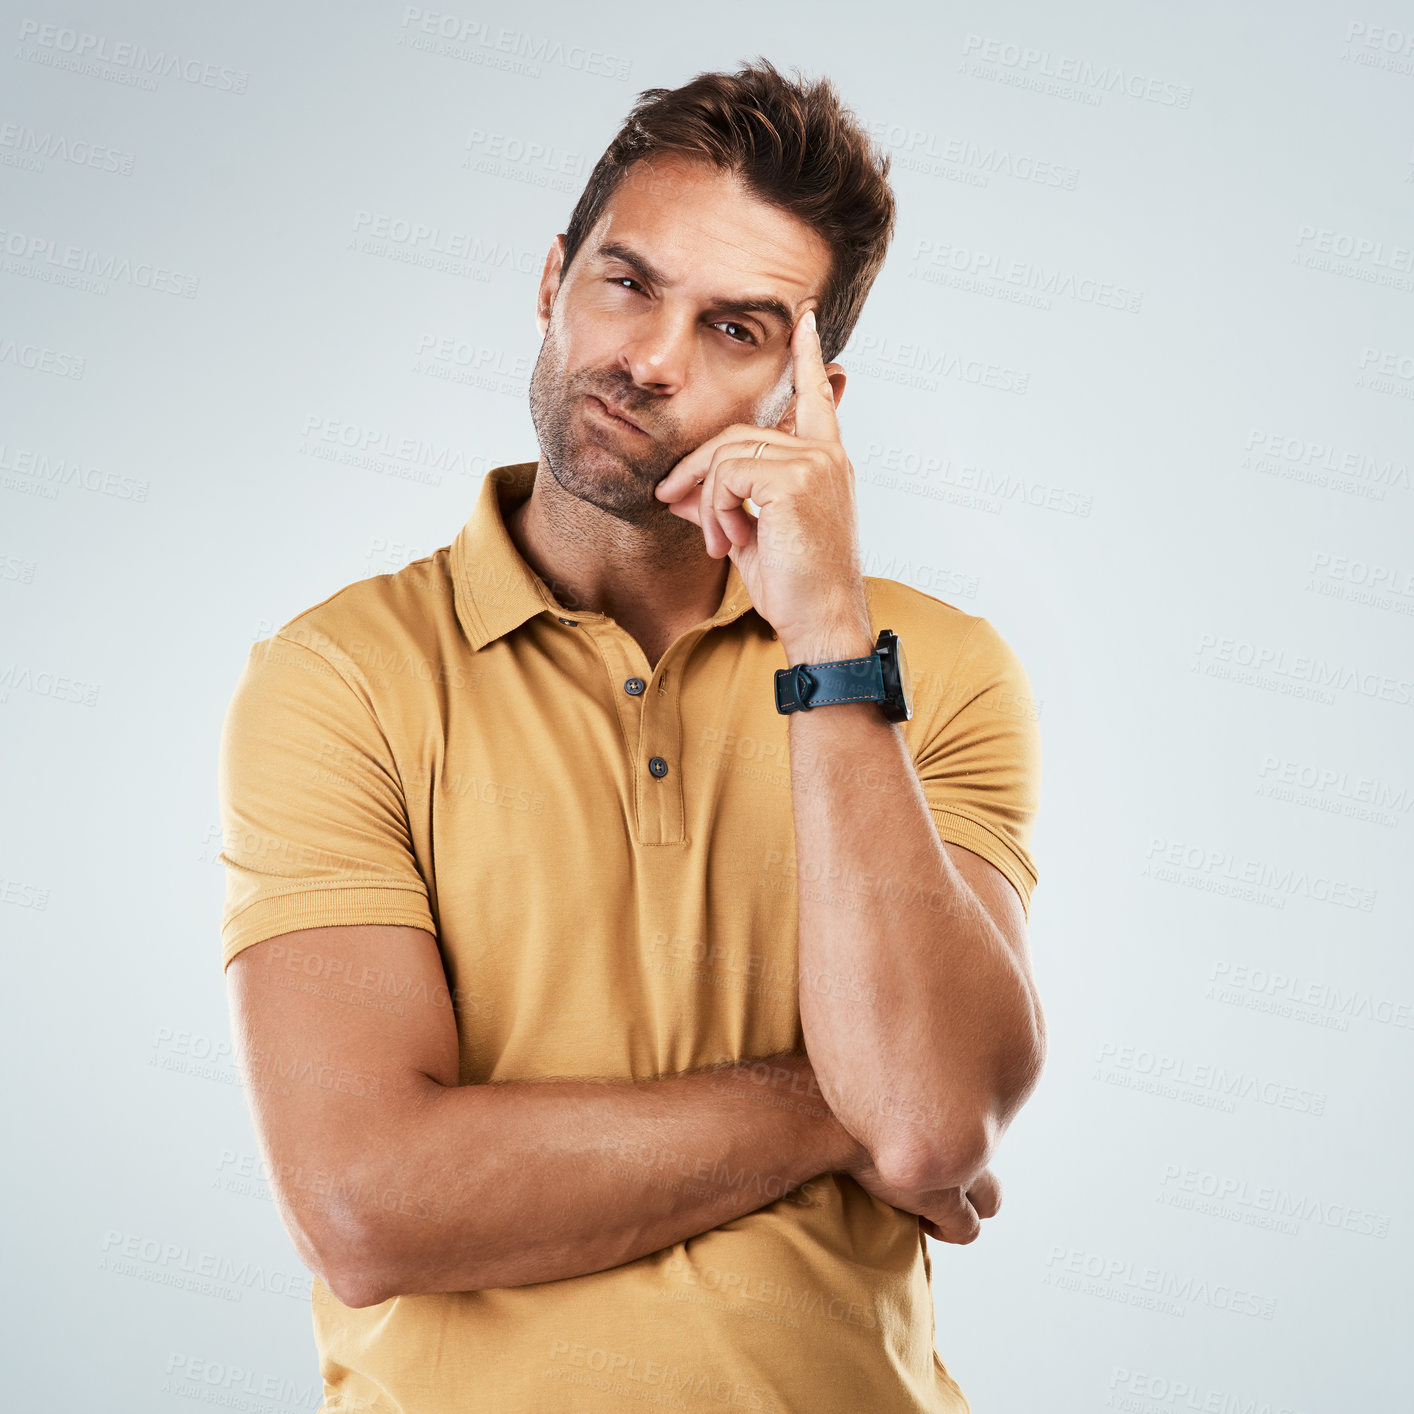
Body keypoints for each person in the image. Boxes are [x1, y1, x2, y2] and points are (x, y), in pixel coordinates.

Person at [218, 57, 1045, 1414]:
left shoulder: (931, 669)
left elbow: (929, 1114)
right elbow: (366, 1204)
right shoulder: (341, 675)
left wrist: (829, 643)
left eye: (735, 329)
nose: (649, 359)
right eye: (627, 282)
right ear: (552, 277)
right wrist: (828, 1109)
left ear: (810, 389)